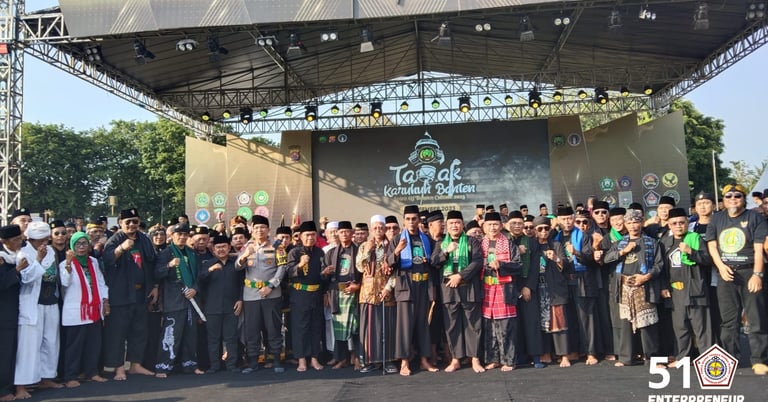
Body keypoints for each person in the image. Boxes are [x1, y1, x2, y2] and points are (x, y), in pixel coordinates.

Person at [706, 183, 768, 375]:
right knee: (729, 321)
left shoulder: (755, 218)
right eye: (729, 196)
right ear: (723, 200)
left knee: (756, 318)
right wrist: (720, 267)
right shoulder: (717, 218)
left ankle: (759, 360)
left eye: (737, 196)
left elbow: (759, 250)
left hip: (749, 271)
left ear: (744, 199)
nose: (733, 199)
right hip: (726, 274)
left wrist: (757, 275)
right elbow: (712, 246)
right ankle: (730, 359)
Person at [604, 210, 666, 367]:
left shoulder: (652, 242)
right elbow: (607, 259)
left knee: (648, 324)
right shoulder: (620, 243)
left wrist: (646, 277)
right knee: (626, 323)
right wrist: (623, 251)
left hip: (645, 285)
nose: (633, 226)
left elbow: (659, 265)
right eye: (629, 223)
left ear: (642, 222)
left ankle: (652, 359)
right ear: (625, 224)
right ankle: (626, 358)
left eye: (636, 222)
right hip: (624, 286)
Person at [102, 208, 157, 381]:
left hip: (141, 293)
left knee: (139, 330)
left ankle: (135, 364)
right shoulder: (114, 240)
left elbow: (152, 263)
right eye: (128, 222)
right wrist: (121, 249)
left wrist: (155, 286)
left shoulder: (144, 239)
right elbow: (107, 260)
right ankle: (119, 368)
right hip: (120, 294)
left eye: (135, 221)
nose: (132, 225)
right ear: (120, 223)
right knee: (118, 333)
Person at [386, 205, 438, 376]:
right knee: (405, 326)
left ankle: (424, 360)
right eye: (408, 219)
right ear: (404, 221)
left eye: (414, 219)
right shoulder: (397, 239)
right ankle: (404, 361)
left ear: (418, 220)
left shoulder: (426, 239)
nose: (411, 222)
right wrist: (397, 251)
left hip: (423, 286)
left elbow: (435, 261)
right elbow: (388, 263)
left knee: (423, 324)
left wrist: (429, 259)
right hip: (406, 287)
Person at [430, 210, 485, 373]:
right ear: (447, 226)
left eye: (458, 222)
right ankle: (456, 359)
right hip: (449, 291)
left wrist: (460, 276)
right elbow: (434, 262)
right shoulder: (441, 243)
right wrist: (446, 252)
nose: (454, 225)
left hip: (469, 288)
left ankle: (475, 358)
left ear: (462, 225)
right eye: (451, 223)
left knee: (473, 324)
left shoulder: (472, 241)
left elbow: (477, 262)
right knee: (452, 325)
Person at [14, 222, 61, 399]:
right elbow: (26, 279)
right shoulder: (23, 253)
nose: (43, 243)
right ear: (31, 239)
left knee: (50, 341)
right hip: (32, 305)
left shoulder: (51, 251)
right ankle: (21, 385)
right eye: (39, 240)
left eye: (45, 239)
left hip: (51, 302)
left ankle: (46, 377)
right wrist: (39, 260)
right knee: (28, 346)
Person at [661, 207, 713, 365]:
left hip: (696, 289)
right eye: (674, 223)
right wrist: (663, 286)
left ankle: (707, 360)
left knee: (702, 328)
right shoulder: (664, 243)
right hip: (675, 291)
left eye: (681, 222)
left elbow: (707, 260)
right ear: (669, 225)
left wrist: (691, 251)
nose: (678, 226)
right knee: (680, 327)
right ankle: (682, 358)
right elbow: (660, 268)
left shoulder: (695, 238)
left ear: (687, 223)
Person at [237, 215, 287, 374]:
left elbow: (282, 268)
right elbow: (237, 267)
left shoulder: (277, 246)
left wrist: (271, 286)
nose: (259, 230)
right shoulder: (247, 246)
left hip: (271, 294)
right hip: (251, 295)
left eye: (263, 227)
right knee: (252, 329)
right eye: (256, 227)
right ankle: (252, 361)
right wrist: (245, 255)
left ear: (268, 230)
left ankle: (276, 359)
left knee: (273, 328)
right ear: (252, 230)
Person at [59, 232, 110, 388]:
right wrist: (68, 264)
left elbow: (101, 282)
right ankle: (70, 376)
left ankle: (92, 372)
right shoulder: (65, 263)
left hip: (94, 309)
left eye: (84, 243)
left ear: (89, 245)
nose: (81, 247)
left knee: (93, 344)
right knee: (74, 346)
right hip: (76, 311)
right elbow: (64, 283)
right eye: (77, 244)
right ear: (72, 246)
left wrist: (105, 300)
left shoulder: (93, 261)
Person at [154, 224, 204, 378]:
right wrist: (169, 265)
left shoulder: (192, 253)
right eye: (179, 234)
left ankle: (190, 365)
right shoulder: (166, 253)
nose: (182, 237)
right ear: (172, 236)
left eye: (185, 234)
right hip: (174, 299)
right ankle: (163, 366)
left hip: (191, 299)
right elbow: (156, 273)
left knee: (191, 335)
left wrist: (195, 289)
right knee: (171, 335)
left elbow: (200, 275)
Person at [287, 220, 333, 372]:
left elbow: (321, 276)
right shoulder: (294, 252)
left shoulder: (320, 252)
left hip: (316, 294)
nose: (310, 238)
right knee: (300, 328)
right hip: (300, 294)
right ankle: (301, 359)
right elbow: (289, 273)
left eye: (313, 235)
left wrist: (324, 274)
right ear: (300, 236)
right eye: (307, 235)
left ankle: (314, 358)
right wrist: (300, 265)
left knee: (316, 327)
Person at [480, 211, 523, 371]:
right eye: (489, 224)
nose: (492, 227)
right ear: (484, 226)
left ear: (501, 226)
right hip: (486, 288)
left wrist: (502, 265)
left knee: (506, 326)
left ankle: (509, 360)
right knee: (489, 326)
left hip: (504, 288)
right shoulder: (480, 244)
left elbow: (518, 265)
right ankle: (493, 359)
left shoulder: (509, 244)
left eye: (495, 224)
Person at [356, 215, 397, 374]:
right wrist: (368, 250)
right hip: (368, 293)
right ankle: (369, 361)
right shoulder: (364, 246)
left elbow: (396, 270)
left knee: (387, 328)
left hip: (386, 291)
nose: (378, 230)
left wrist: (388, 288)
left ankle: (388, 361)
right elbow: (360, 267)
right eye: (375, 228)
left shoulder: (391, 246)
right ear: (371, 230)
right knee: (369, 330)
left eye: (381, 227)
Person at [199, 232, 244, 374]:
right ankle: (214, 365)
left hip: (232, 307)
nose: (221, 250)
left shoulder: (235, 264)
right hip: (212, 308)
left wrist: (240, 299)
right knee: (213, 339)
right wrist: (210, 270)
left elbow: (242, 283)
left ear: (229, 247)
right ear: (213, 249)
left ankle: (231, 365)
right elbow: (199, 281)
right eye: (218, 247)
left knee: (231, 338)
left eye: (224, 246)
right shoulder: (207, 264)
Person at [531, 216, 571, 368]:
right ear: (535, 231)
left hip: (555, 288)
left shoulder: (556, 244)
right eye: (540, 229)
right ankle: (546, 352)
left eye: (546, 228)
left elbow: (566, 264)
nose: (543, 231)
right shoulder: (533, 246)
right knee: (543, 323)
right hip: (538, 288)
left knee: (559, 321)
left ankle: (564, 355)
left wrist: (556, 258)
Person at [325, 221, 361, 369]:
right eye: (341, 232)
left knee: (356, 327)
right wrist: (325, 273)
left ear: (352, 233)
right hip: (337, 293)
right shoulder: (331, 253)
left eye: (347, 231)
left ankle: (358, 357)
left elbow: (366, 273)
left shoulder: (359, 251)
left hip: (355, 292)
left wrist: (357, 286)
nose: (344, 234)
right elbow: (324, 277)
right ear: (337, 234)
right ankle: (342, 358)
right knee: (339, 328)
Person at [1, 225, 25, 401]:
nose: (19, 242)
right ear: (4, 241)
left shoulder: (19, 255)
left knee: (13, 351)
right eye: (16, 240)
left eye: (20, 238)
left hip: (18, 309)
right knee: (4, 351)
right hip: (4, 312)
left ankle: (11, 385)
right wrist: (16, 271)